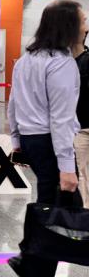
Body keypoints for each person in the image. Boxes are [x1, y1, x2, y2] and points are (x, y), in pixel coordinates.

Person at [7, 0, 85, 276]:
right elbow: (61, 119)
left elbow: (13, 104)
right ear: (69, 26)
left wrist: (17, 144)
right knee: (57, 208)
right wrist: (67, 167)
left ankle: (28, 257)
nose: (86, 27)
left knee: (50, 203)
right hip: (51, 142)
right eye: (83, 21)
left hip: (32, 141)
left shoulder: (27, 59)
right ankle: (33, 263)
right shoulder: (61, 63)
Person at [73, 30, 89, 208]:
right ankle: (84, 213)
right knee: (80, 174)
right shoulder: (64, 63)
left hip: (81, 126)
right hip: (78, 129)